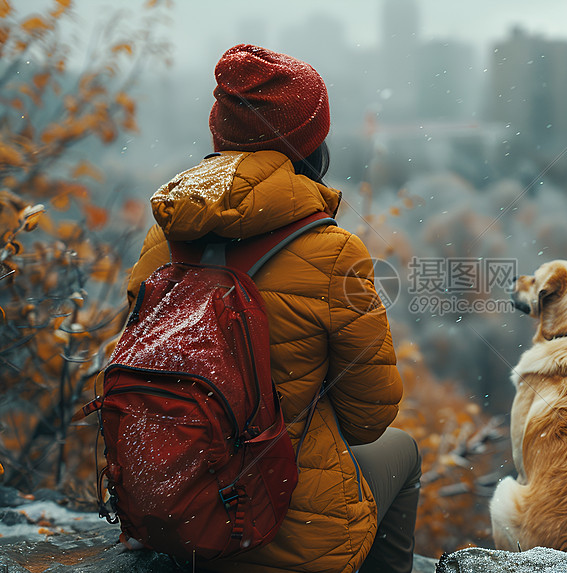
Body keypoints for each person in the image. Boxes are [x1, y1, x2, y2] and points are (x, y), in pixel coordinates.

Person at [126, 44, 421, 573]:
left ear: (221, 134)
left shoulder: (162, 240)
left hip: (178, 519)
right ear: (313, 144)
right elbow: (370, 418)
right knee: (403, 450)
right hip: (291, 533)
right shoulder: (333, 252)